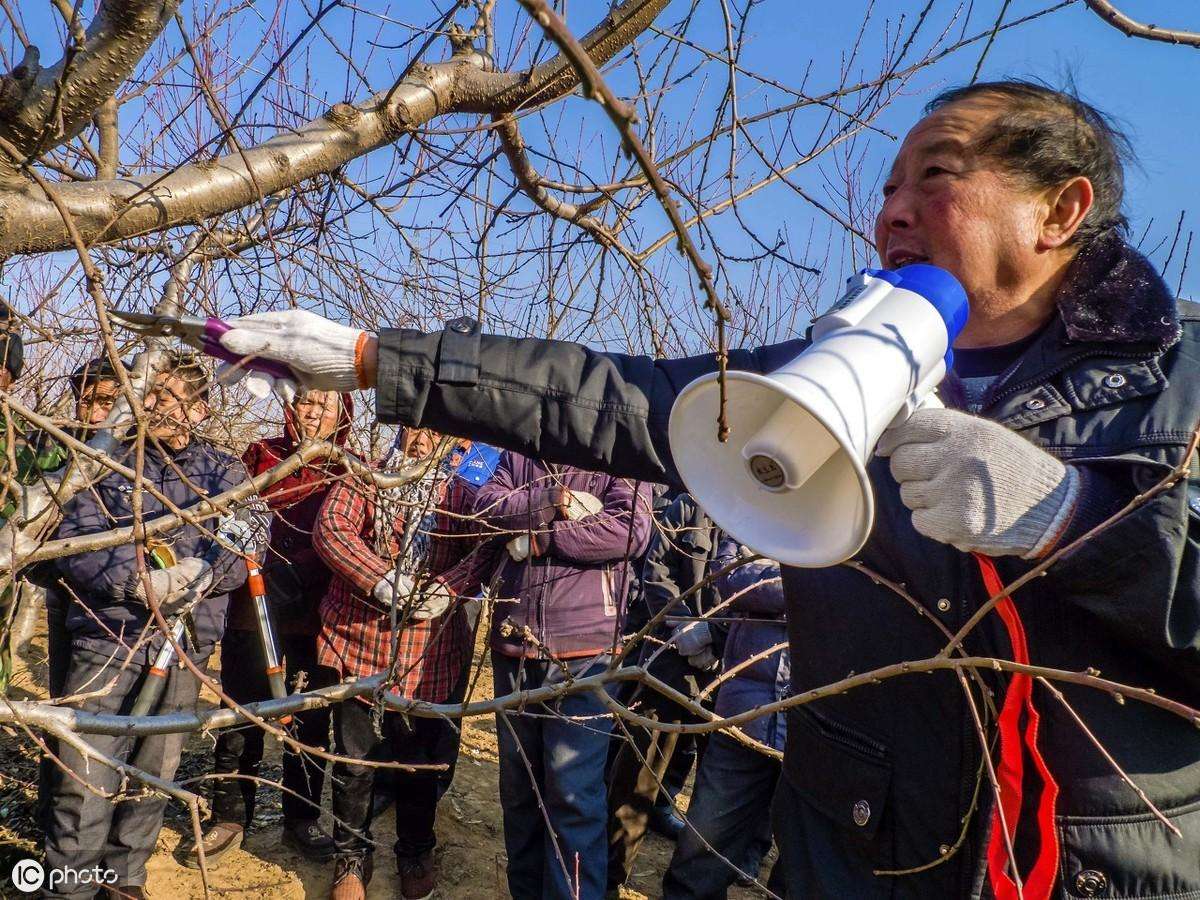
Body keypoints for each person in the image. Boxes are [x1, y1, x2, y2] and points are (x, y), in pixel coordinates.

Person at [218, 80, 1200, 897]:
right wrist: (377, 359)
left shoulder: (1180, 388)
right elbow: (613, 397)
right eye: (889, 185)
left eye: (936, 176)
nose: (891, 210)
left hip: (1099, 868)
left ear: (1059, 210)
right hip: (855, 855)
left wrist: (1075, 523)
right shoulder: (836, 375)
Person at [42, 352, 248, 900]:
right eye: (148, 393)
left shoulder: (226, 471)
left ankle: (125, 877)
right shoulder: (105, 461)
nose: (152, 405)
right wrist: (134, 583)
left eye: (167, 396)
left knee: (156, 764)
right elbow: (73, 536)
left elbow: (247, 539)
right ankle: (71, 883)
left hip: (187, 640)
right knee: (85, 770)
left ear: (200, 410)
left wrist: (200, 572)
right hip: (110, 635)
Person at [313, 426, 487, 900]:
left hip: (430, 649)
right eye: (414, 428)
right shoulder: (368, 473)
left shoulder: (464, 489)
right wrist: (378, 578)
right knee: (354, 760)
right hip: (358, 639)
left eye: (435, 431)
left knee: (418, 761)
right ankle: (351, 855)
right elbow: (332, 528)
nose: (422, 440)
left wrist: (448, 587)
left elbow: (482, 549)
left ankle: (415, 850)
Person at [473, 452, 652, 900]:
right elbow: (485, 508)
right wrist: (555, 499)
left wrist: (541, 539)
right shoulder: (518, 454)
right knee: (519, 787)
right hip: (514, 645)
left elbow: (628, 529)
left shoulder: (618, 456)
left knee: (572, 794)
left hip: (586, 651)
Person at [190, 389, 354, 867]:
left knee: (310, 721)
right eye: (305, 402)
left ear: (342, 416)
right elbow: (233, 519)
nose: (313, 412)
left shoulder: (351, 467)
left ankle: (300, 817)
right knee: (242, 712)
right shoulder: (260, 456)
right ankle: (229, 813)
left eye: (326, 406)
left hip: (319, 615)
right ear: (290, 407)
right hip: (253, 609)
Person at [607, 491, 722, 893]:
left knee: (718, 796)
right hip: (670, 668)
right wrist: (685, 628)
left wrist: (718, 638)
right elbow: (656, 571)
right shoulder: (690, 507)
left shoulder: (780, 521)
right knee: (637, 779)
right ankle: (612, 876)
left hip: (733, 682)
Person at [662, 538, 788, 899]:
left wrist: (772, 576)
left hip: (814, 722)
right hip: (741, 711)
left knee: (803, 860)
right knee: (703, 841)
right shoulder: (764, 510)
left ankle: (750, 857)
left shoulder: (855, 519)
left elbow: (819, 592)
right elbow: (727, 573)